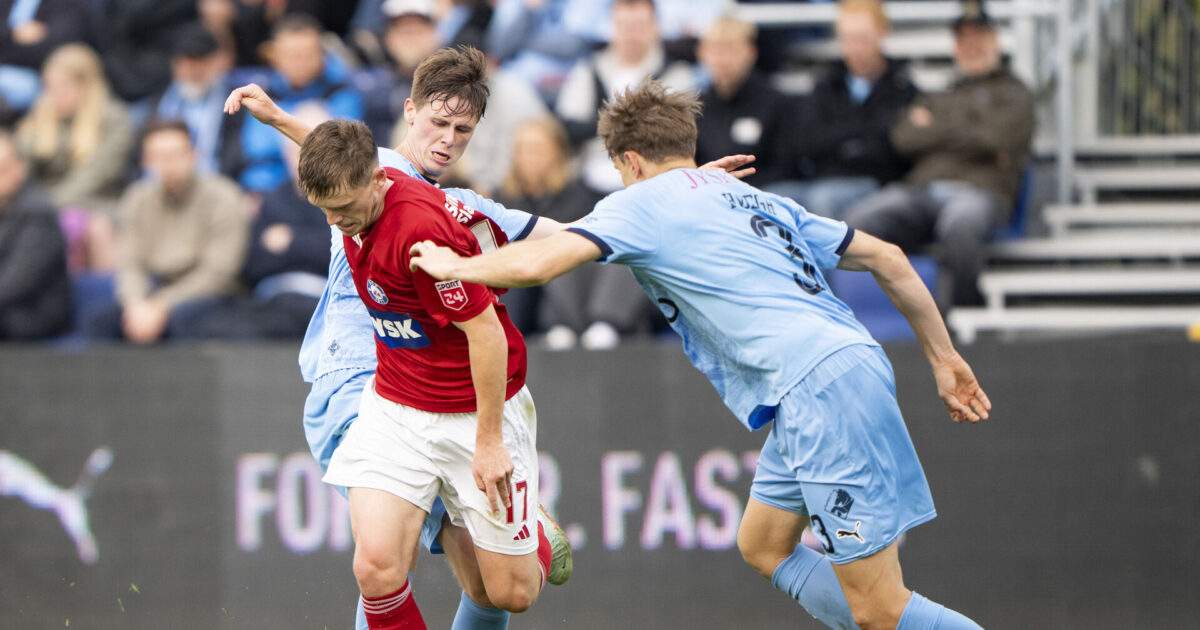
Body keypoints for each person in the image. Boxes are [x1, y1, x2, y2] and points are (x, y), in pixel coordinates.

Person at [409, 79, 992, 630]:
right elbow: (890, 257)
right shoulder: (746, 194)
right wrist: (944, 360)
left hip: (816, 388)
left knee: (880, 610)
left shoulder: (641, 205)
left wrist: (454, 266)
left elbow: (538, 262)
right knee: (763, 544)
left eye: (620, 171)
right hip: (841, 369)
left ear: (630, 163)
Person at [225, 45, 751, 629]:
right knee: (379, 562)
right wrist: (275, 117)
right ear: (409, 112)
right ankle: (525, 530)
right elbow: (332, 146)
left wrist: (671, 193)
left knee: (487, 582)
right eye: (438, 123)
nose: (448, 140)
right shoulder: (364, 171)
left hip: (437, 395)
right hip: (354, 382)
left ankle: (524, 536)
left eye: (464, 131)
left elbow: (578, 233)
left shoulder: (461, 207)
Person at [843, 0, 1033, 307]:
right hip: (922, 192)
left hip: (980, 192)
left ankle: (965, 317)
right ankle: (882, 319)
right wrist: (972, 132)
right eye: (963, 39)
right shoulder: (941, 92)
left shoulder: (1015, 93)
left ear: (994, 40)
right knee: (859, 220)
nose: (970, 46)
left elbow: (998, 138)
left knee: (959, 223)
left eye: (978, 38)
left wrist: (937, 131)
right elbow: (903, 137)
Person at [84, 120, 248, 343]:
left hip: (212, 295)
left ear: (193, 155)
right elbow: (130, 264)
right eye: (158, 157)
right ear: (145, 161)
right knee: (100, 321)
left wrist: (161, 305)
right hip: (156, 289)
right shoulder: (137, 199)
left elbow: (219, 272)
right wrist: (135, 304)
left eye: (174, 155)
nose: (167, 164)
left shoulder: (223, 196)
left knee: (182, 321)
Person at [788, 0, 918, 220]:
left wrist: (841, 137)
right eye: (847, 38)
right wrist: (860, 137)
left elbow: (894, 149)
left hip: (878, 184)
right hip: (821, 179)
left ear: (882, 33)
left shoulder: (903, 88)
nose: (855, 47)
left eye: (862, 38)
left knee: (823, 200)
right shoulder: (825, 84)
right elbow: (805, 142)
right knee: (773, 197)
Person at [555, 0, 695, 197]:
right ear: (612, 27)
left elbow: (669, 137)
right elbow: (568, 127)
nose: (631, 34)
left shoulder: (676, 74)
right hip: (587, 181)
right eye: (624, 26)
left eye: (639, 26)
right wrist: (629, 125)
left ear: (655, 27)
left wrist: (604, 126)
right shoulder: (589, 70)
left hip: (650, 184)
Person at [15, 43, 134, 269]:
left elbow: (96, 176)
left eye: (63, 87)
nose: (54, 95)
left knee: (89, 227)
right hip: (42, 207)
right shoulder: (37, 118)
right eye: (49, 87)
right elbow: (19, 170)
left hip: (97, 203)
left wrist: (47, 207)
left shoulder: (114, 119)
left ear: (86, 85)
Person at [237, 14, 364, 192]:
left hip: (329, 189)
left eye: (307, 54)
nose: (299, 62)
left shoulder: (342, 90)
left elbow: (347, 151)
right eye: (291, 55)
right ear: (275, 56)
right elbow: (256, 152)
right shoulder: (265, 94)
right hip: (272, 192)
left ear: (322, 54)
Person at [694, 15, 798, 189]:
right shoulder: (695, 108)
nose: (723, 60)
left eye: (731, 50)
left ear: (751, 52)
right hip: (709, 195)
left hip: (765, 195)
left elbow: (786, 166)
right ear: (701, 54)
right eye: (716, 51)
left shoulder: (777, 103)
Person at [0, 129, 72, 340]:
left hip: (33, 313)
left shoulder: (38, 213)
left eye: (2, 168)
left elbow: (16, 282)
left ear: (21, 168)